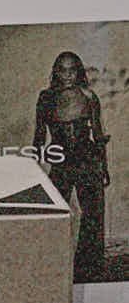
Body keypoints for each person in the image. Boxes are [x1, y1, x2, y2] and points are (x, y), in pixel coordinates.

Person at [33, 52, 110, 282]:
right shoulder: (46, 98)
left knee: (93, 215)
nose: (67, 75)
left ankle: (89, 268)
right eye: (62, 70)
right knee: (55, 215)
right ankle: (55, 263)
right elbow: (38, 136)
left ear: (79, 71)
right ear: (55, 72)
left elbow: (97, 135)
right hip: (61, 163)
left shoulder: (89, 96)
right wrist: (33, 168)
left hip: (88, 161)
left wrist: (103, 167)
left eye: (72, 70)